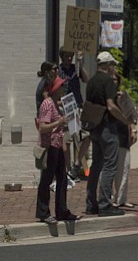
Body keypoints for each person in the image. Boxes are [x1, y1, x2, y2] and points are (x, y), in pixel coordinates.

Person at [85, 51, 129, 217]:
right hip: (107, 127)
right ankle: (105, 204)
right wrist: (124, 119)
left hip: (94, 127)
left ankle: (91, 203)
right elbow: (111, 106)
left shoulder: (91, 82)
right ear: (108, 65)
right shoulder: (108, 82)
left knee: (95, 166)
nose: (113, 69)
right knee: (109, 166)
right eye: (112, 65)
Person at [36, 76, 81, 223]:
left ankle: (62, 211)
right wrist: (59, 122)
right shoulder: (47, 105)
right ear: (55, 89)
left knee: (62, 178)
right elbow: (42, 127)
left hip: (57, 145)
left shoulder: (56, 104)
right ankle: (43, 212)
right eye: (62, 86)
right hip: (49, 147)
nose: (64, 88)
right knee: (47, 180)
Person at [58, 47, 91, 180]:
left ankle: (77, 164)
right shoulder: (59, 71)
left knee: (85, 136)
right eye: (67, 56)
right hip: (66, 106)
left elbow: (86, 79)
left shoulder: (75, 69)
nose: (69, 58)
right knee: (68, 140)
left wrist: (80, 62)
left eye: (71, 56)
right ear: (62, 56)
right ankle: (69, 170)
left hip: (76, 105)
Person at [111, 70, 138, 208]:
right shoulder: (106, 96)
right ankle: (109, 198)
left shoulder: (123, 97)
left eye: (116, 79)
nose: (113, 82)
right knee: (110, 168)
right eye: (111, 79)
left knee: (124, 167)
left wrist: (133, 130)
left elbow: (131, 115)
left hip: (122, 134)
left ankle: (121, 198)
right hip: (109, 135)